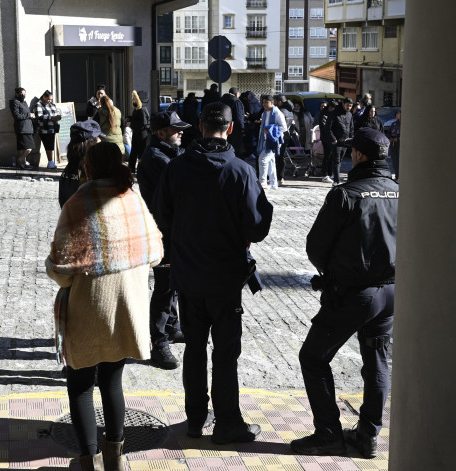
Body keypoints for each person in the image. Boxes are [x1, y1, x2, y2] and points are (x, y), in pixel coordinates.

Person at [153, 102, 273, 444]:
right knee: (225, 352)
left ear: (200, 127)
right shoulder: (240, 171)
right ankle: (227, 423)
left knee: (194, 348)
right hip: (225, 278)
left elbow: (162, 217)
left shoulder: (176, 170)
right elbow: (258, 227)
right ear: (231, 128)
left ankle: (195, 419)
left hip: (189, 276)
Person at [46, 141, 164, 471]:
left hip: (87, 308)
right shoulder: (134, 199)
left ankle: (88, 462)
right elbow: (155, 253)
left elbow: (61, 267)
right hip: (127, 307)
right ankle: (116, 459)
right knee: (112, 382)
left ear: (89, 167)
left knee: (81, 386)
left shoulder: (76, 202)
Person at [291, 128, 398, 459]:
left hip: (353, 294)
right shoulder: (401, 192)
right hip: (392, 293)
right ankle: (368, 436)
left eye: (354, 151)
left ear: (361, 156)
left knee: (313, 357)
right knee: (376, 361)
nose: (350, 155)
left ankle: (327, 433)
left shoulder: (346, 194)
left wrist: (333, 273)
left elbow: (316, 248)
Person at [137, 111, 191, 371]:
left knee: (173, 282)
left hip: (173, 231)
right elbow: (180, 190)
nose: (181, 132)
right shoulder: (157, 158)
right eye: (175, 129)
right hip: (163, 233)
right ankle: (158, 342)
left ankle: (171, 326)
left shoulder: (169, 154)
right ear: (161, 133)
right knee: (163, 286)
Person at [58, 121, 102, 207]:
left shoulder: (71, 167)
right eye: (98, 139)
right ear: (90, 143)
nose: (101, 143)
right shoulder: (88, 170)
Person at [257, 94, 287, 190]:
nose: (264, 104)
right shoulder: (264, 113)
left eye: (266, 102)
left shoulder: (278, 113)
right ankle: (274, 183)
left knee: (263, 159)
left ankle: (263, 182)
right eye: (263, 102)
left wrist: (270, 130)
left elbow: (284, 128)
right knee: (271, 162)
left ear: (272, 103)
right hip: (265, 140)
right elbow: (262, 127)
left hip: (274, 141)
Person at [9, 87, 36, 169]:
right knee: (29, 147)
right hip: (22, 128)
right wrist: (29, 115)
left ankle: (22, 164)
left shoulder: (24, 102)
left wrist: (31, 115)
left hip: (28, 127)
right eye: (21, 94)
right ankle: (21, 159)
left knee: (23, 147)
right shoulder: (14, 102)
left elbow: (26, 113)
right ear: (17, 94)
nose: (23, 95)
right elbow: (16, 116)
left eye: (24, 94)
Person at [34, 90, 62, 169]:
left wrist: (58, 116)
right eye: (49, 99)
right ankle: (50, 162)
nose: (50, 101)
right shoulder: (39, 105)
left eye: (51, 99)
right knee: (48, 146)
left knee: (51, 146)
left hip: (52, 129)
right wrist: (51, 118)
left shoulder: (52, 104)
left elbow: (57, 111)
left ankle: (51, 162)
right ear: (44, 97)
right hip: (44, 129)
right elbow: (39, 117)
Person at [127, 90, 150, 173]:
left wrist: (131, 123)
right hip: (137, 133)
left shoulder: (142, 109)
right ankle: (132, 168)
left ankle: (141, 169)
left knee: (141, 152)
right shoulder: (138, 109)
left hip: (141, 134)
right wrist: (130, 119)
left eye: (134, 99)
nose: (133, 101)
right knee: (134, 151)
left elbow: (143, 123)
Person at [220, 87, 246, 157]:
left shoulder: (222, 99)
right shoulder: (236, 101)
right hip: (235, 129)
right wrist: (242, 128)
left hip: (223, 128)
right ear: (236, 94)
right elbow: (238, 117)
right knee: (236, 147)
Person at [389, 109, 401, 179]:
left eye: (398, 113)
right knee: (395, 161)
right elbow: (389, 133)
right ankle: (397, 175)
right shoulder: (394, 124)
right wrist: (390, 138)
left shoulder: (405, 125)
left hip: (400, 145)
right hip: (393, 144)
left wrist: (398, 139)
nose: (397, 114)